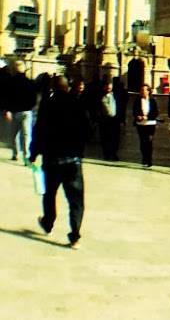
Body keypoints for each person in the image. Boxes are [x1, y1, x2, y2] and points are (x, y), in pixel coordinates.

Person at [30, 75, 88, 248]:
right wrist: (79, 149)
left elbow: (38, 130)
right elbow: (87, 129)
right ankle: (75, 234)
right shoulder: (77, 103)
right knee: (76, 199)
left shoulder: (47, 105)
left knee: (50, 194)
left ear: (52, 88)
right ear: (67, 87)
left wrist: (34, 153)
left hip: (52, 159)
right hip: (72, 160)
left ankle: (48, 222)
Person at [6, 60, 39, 165]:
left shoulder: (10, 82)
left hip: (15, 111)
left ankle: (16, 154)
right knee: (26, 134)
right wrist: (30, 106)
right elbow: (34, 99)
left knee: (14, 134)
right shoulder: (30, 82)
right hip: (27, 111)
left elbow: (7, 98)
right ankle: (26, 155)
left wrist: (8, 110)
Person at [132, 84, 160, 167]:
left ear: (148, 91)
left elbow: (155, 113)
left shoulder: (152, 101)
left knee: (149, 141)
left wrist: (147, 117)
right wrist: (138, 116)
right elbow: (134, 111)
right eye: (141, 90)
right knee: (142, 141)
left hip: (150, 123)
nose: (142, 92)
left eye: (144, 90)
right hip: (140, 124)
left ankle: (149, 159)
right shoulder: (137, 100)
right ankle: (144, 158)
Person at [97, 78, 120, 161]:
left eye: (110, 87)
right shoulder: (100, 96)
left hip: (114, 120)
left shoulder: (116, 95)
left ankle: (114, 153)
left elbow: (121, 106)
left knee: (115, 137)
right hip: (104, 119)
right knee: (105, 137)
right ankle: (106, 153)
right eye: (107, 87)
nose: (108, 89)